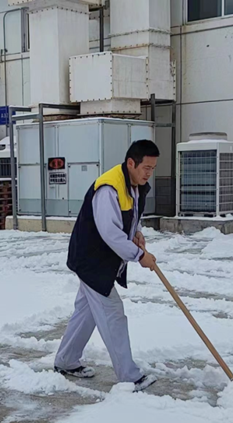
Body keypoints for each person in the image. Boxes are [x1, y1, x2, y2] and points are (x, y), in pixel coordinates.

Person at [54, 140, 160, 392]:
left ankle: (66, 360)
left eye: (153, 168)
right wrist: (139, 255)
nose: (149, 173)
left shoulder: (134, 185)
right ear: (131, 163)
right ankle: (130, 377)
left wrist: (137, 233)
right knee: (112, 314)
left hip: (101, 259)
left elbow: (130, 216)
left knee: (87, 311)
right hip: (91, 259)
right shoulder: (108, 188)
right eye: (146, 167)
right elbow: (110, 233)